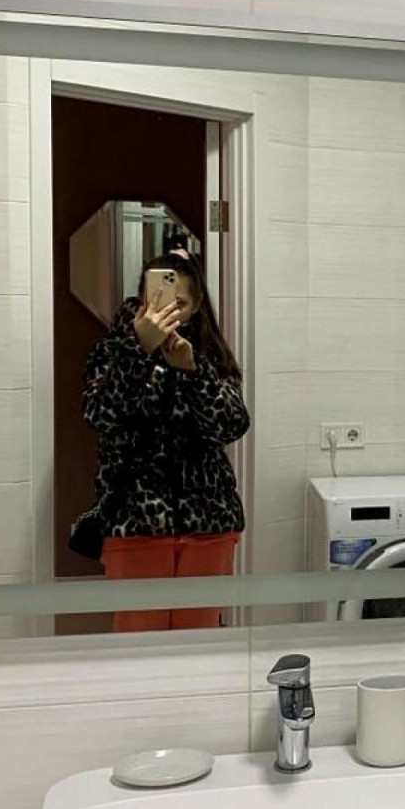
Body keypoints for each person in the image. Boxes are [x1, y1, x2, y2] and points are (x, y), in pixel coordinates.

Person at [80, 249, 250, 631]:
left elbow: (233, 425)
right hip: (134, 519)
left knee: (199, 636)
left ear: (196, 306)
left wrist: (192, 372)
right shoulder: (112, 351)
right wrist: (137, 352)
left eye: (180, 304)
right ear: (142, 299)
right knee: (139, 638)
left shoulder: (209, 355)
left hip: (209, 520)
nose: (168, 312)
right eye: (156, 301)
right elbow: (99, 415)